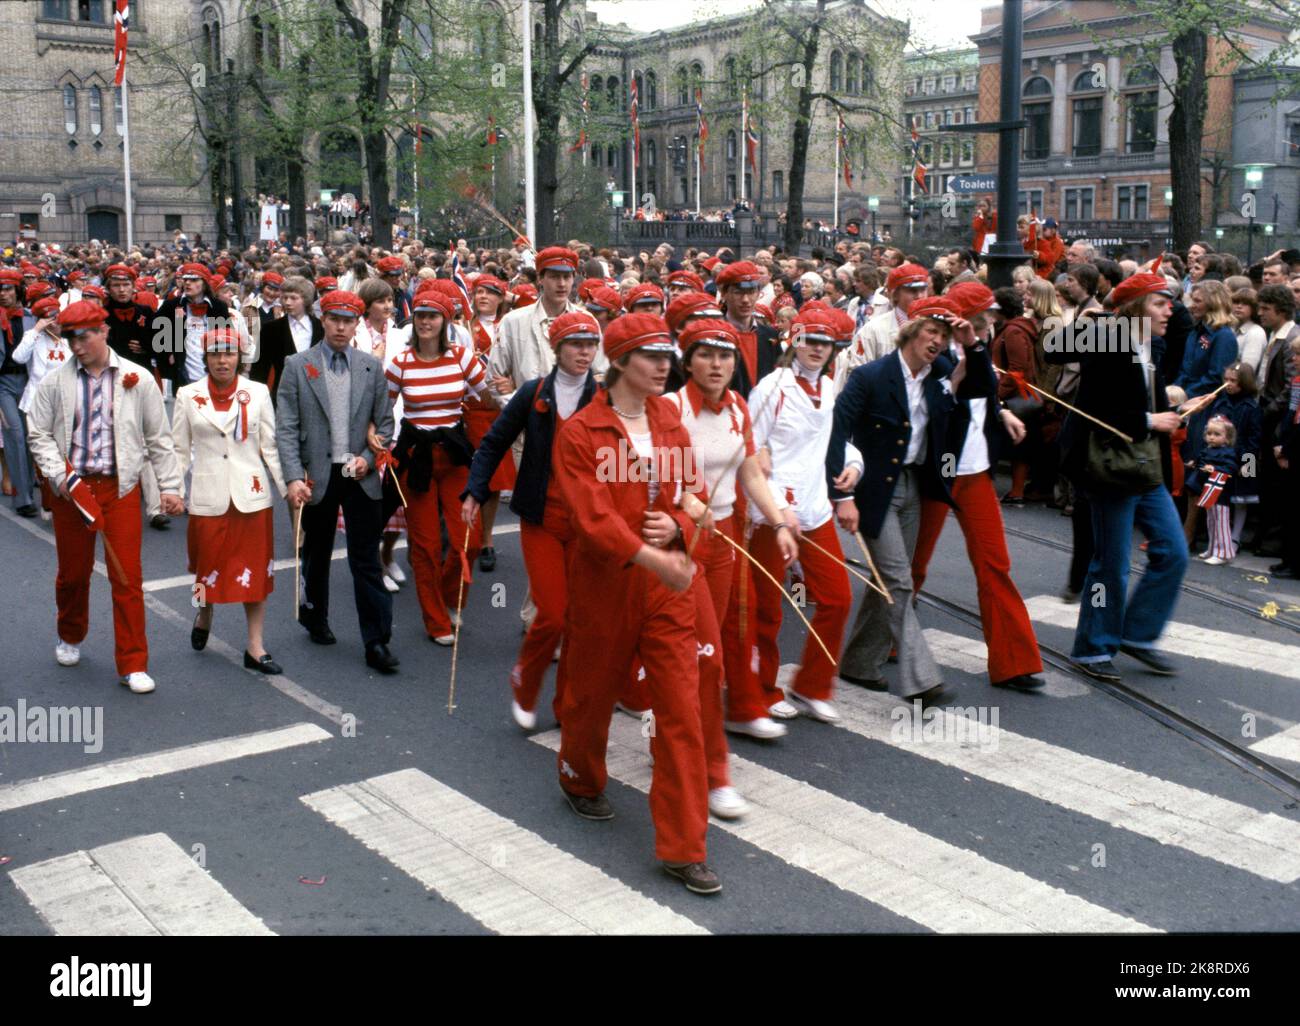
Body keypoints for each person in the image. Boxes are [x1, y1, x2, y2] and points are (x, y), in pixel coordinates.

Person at [550, 312, 721, 895]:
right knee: (591, 693)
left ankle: (684, 847)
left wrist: (679, 526)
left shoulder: (670, 421)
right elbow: (593, 521)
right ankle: (579, 775)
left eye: (667, 355)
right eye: (651, 356)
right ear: (620, 361)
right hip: (606, 587)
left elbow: (695, 496)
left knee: (682, 710)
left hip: (668, 594)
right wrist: (654, 557)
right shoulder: (581, 433)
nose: (664, 365)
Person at [829, 296, 994, 702]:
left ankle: (858, 663)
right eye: (931, 332)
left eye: (944, 335)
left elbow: (983, 388)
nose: (937, 341)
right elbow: (835, 432)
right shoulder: (870, 376)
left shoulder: (941, 373)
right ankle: (922, 680)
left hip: (914, 487)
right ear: (910, 333)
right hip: (874, 489)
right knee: (899, 581)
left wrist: (972, 345)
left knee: (886, 580)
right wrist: (841, 494)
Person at [26, 300, 184, 694]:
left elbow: (158, 437)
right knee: (73, 575)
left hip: (120, 488)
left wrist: (170, 487)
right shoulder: (55, 382)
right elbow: (38, 433)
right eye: (70, 338)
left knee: (127, 577)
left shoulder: (138, 378)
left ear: (104, 332)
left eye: (84, 337)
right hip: (72, 491)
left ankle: (133, 662)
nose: (77, 346)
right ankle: (70, 634)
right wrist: (60, 476)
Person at [1044, 268, 1188, 682]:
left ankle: (1138, 634)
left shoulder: (1151, 345)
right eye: (1160, 304)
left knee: (1174, 552)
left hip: (1145, 465)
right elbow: (1058, 353)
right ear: (1137, 309)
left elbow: (1146, 401)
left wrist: (1168, 415)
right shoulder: (1110, 340)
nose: (1170, 311)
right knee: (1111, 564)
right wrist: (1149, 420)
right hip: (1108, 466)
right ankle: (1093, 647)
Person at [462, 311, 599, 729]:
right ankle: (525, 679)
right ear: (556, 348)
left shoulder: (604, 397)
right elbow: (494, 442)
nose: (584, 352)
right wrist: (475, 490)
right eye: (575, 344)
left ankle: (566, 703)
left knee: (580, 620)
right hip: (542, 517)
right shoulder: (533, 392)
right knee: (553, 614)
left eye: (590, 344)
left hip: (588, 522)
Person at [910, 282, 1044, 690]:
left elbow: (985, 388)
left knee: (994, 564)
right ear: (962, 319)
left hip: (975, 470)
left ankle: (1013, 661)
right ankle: (886, 641)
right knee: (913, 564)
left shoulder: (980, 348)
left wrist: (1000, 411)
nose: (991, 321)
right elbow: (946, 396)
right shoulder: (934, 352)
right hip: (939, 469)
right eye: (984, 316)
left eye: (991, 316)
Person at [744, 306, 860, 723]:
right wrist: (777, 507)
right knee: (767, 608)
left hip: (814, 509)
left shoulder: (828, 387)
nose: (817, 349)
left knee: (837, 599)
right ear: (795, 341)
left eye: (826, 343)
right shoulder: (772, 387)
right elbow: (751, 451)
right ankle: (760, 691)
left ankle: (812, 686)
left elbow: (832, 441)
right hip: (772, 514)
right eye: (810, 340)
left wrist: (854, 466)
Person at [275, 290, 399, 674]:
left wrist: (368, 459)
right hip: (319, 471)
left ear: (356, 324)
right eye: (334, 320)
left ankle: (376, 640)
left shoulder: (370, 367)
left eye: (348, 321)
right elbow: (286, 428)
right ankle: (315, 616)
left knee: (366, 558)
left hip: (356, 472)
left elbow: (386, 423)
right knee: (317, 551)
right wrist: (293, 477)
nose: (341, 328)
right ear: (323, 320)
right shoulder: (298, 365)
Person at [383, 288, 493, 644]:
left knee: (469, 540)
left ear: (445, 321)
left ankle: (448, 598)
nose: (425, 322)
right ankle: (435, 621)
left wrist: (519, 395)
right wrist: (375, 437)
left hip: (455, 455)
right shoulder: (400, 362)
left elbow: (490, 396)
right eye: (420, 315)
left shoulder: (462, 357)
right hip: (417, 459)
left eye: (432, 316)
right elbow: (383, 409)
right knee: (426, 545)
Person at [173, 328, 287, 672]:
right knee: (202, 571)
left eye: (229, 354)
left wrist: (289, 487)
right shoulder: (187, 395)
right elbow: (179, 449)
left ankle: (255, 646)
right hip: (207, 497)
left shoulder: (258, 392)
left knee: (255, 572)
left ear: (240, 357)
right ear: (205, 358)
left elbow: (270, 445)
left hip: (251, 498)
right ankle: (203, 611)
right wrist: (173, 490)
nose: (222, 361)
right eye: (215, 354)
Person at [464, 275, 514, 573]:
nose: (483, 296)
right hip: (467, 408)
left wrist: (512, 383)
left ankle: (486, 539)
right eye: (479, 292)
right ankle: (465, 535)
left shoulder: (508, 326)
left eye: (490, 293)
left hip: (497, 410)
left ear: (500, 298)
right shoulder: (462, 326)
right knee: (466, 476)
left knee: (493, 479)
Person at [156, 263, 232, 390]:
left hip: (211, 370)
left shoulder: (219, 307)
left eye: (194, 280)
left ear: (204, 283)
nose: (187, 283)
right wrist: (168, 352)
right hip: (183, 372)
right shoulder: (171, 305)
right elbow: (155, 331)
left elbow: (227, 337)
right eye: (185, 279)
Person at [0, 267, 37, 516]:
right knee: (14, 434)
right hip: (3, 383)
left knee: (30, 436)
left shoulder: (31, 318)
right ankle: (23, 498)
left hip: (28, 381)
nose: (3, 294)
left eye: (8, 289)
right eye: (0, 290)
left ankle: (30, 485)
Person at [251, 276, 322, 403]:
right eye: (284, 298)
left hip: (314, 396)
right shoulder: (270, 329)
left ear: (305, 300)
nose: (288, 302)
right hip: (281, 396)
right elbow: (259, 370)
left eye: (293, 298)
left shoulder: (320, 328)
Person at [1183, 415, 1238, 565]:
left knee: (1221, 521)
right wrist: (1195, 464)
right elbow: (1202, 462)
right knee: (1211, 520)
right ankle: (1213, 548)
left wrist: (1215, 469)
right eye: (1209, 433)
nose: (1211, 437)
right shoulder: (1207, 450)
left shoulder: (1228, 452)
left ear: (1227, 438)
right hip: (1208, 489)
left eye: (1217, 434)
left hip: (1221, 491)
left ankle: (1223, 553)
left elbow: (1231, 468)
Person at [1232, 289, 1267, 376]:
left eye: (1245, 304)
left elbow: (1247, 369)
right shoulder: (1232, 328)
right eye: (1236, 302)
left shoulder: (1255, 333)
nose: (1239, 306)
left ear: (1254, 308)